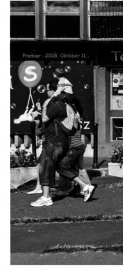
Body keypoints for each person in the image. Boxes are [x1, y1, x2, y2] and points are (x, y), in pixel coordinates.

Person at [32, 79, 94, 207]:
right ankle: (85, 186)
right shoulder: (68, 105)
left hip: (54, 141)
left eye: (51, 90)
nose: (48, 93)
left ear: (60, 91)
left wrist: (44, 106)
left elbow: (44, 118)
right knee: (61, 167)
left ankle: (46, 197)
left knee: (46, 167)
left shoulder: (58, 105)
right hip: (62, 141)